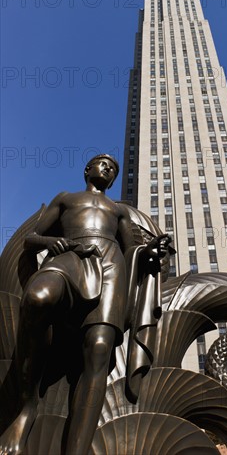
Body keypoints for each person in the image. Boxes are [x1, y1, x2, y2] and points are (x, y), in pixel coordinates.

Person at [0, 154, 171, 455]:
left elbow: (132, 252)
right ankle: (25, 409)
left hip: (110, 267)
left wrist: (151, 252)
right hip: (69, 256)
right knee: (37, 299)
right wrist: (49, 243)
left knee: (100, 349)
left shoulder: (119, 212)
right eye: (102, 164)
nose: (108, 169)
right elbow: (31, 238)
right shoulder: (66, 199)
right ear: (87, 170)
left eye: (113, 169)